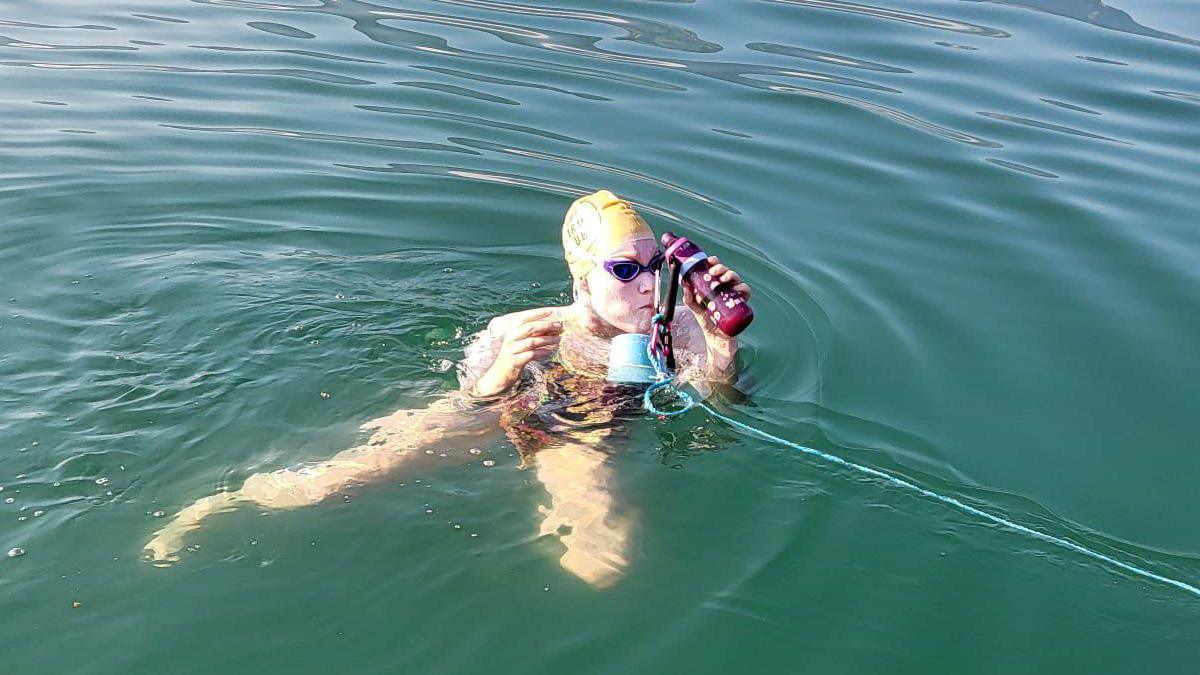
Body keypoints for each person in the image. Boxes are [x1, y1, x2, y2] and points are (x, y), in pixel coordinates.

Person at [144, 189, 751, 587]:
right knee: (333, 484)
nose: (646, 284)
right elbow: (471, 400)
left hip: (583, 433)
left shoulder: (683, 330)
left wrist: (723, 343)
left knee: (602, 562)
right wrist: (502, 372)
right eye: (623, 270)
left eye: (655, 266)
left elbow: (716, 408)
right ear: (581, 279)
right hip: (513, 406)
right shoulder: (519, 329)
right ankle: (218, 505)